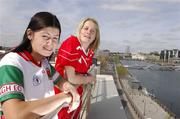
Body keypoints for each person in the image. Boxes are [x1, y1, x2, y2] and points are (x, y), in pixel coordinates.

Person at [0, 12, 80, 119]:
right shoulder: (13, 63)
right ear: (30, 34)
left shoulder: (44, 62)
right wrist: (64, 97)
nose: (51, 43)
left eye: (55, 38)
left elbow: (60, 81)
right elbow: (14, 114)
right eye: (45, 37)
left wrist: (71, 89)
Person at [55, 17, 100, 119]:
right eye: (86, 28)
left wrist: (82, 77)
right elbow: (71, 78)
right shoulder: (71, 43)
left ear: (95, 36)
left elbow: (80, 74)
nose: (88, 32)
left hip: (77, 93)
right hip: (62, 95)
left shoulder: (90, 52)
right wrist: (91, 78)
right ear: (80, 30)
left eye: (92, 31)